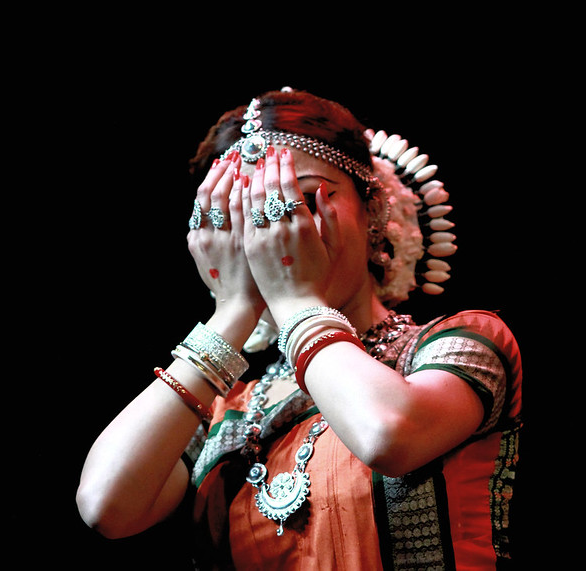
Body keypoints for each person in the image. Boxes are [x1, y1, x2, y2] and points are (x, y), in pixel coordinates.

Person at [77, 88, 522, 570]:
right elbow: (106, 506)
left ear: (373, 210)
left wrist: (294, 298)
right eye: (244, 217)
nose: (276, 232)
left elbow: (387, 436)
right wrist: (232, 309)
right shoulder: (225, 411)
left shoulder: (459, 342)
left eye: (302, 198)